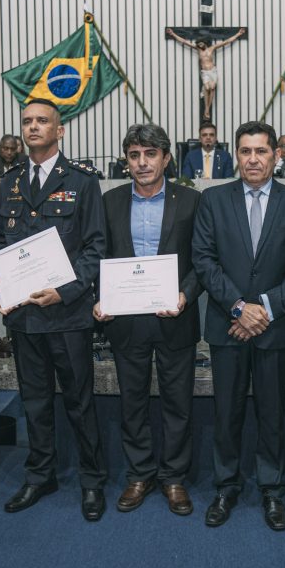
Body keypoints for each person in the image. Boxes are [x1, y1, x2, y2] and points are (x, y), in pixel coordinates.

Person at [192, 120, 285, 531]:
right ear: (236, 156)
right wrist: (237, 308)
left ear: (276, 155)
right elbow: (204, 260)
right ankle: (226, 486)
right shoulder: (212, 199)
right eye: (245, 151)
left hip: (274, 326)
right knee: (226, 411)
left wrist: (261, 308)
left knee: (271, 411)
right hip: (226, 326)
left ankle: (271, 489)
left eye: (261, 151)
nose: (252, 159)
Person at [0, 99, 109, 521]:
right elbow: (2, 246)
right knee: (34, 401)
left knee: (79, 402)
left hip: (68, 315)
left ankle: (93, 480)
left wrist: (66, 290)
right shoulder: (10, 182)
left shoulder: (82, 181)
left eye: (42, 121)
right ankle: (41, 475)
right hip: (24, 317)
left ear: (60, 130)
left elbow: (96, 247)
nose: (33, 127)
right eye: (27, 121)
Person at [93, 123, 202, 516]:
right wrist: (99, 299)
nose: (142, 163)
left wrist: (185, 294)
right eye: (134, 155)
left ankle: (173, 478)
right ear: (127, 161)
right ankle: (139, 474)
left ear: (166, 158)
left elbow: (203, 260)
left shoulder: (191, 201)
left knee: (178, 403)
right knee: (132, 401)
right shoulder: (110, 201)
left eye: (150, 154)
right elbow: (98, 256)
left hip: (175, 316)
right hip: (125, 319)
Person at [166, 27, 246, 120]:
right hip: (205, 72)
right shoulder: (198, 50)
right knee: (207, 87)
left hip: (212, 71)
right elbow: (184, 41)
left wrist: (239, 34)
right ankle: (207, 109)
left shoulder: (212, 49)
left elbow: (226, 42)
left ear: (205, 42)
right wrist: (172, 34)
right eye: (198, 44)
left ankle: (207, 110)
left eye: (201, 43)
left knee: (212, 88)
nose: (200, 45)